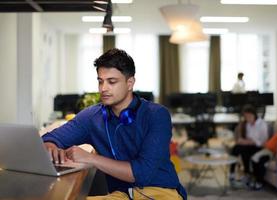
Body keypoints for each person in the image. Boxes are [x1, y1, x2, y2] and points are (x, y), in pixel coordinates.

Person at [42, 48, 187, 200]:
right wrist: (51, 146)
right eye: (100, 81)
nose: (103, 88)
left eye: (112, 82)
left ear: (130, 83)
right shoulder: (93, 116)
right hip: (121, 196)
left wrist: (91, 159)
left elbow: (142, 173)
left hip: (161, 192)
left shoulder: (157, 115)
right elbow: (49, 139)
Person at [229, 104, 268, 186]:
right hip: (249, 145)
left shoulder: (262, 124)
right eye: (245, 117)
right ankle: (232, 173)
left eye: (248, 116)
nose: (247, 119)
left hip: (259, 147)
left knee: (243, 150)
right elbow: (247, 138)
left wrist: (252, 142)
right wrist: (244, 141)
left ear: (253, 114)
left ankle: (247, 174)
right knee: (236, 148)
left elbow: (263, 141)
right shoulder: (247, 124)